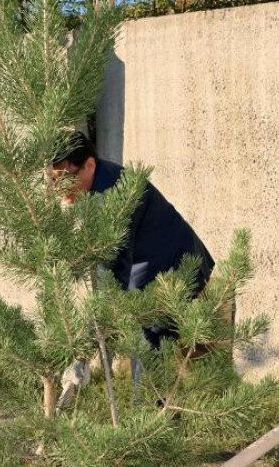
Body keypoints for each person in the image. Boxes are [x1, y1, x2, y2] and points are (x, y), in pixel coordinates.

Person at [52, 133, 215, 399]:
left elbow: (114, 270)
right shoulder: (96, 186)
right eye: (55, 179)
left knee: (154, 348)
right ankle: (160, 416)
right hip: (152, 271)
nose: (60, 187)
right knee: (153, 349)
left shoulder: (114, 197)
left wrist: (85, 348)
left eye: (66, 179)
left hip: (178, 270)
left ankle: (157, 421)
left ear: (90, 166)